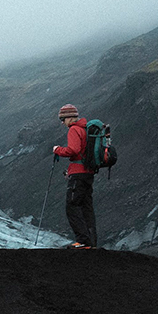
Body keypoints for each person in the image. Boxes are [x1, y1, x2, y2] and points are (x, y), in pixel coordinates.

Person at [52, 104, 97, 249]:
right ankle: (91, 241)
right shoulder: (85, 129)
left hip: (78, 174)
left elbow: (73, 150)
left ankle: (83, 241)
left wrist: (57, 150)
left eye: (63, 119)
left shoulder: (74, 130)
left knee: (72, 206)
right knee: (86, 208)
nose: (62, 123)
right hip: (87, 173)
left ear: (70, 118)